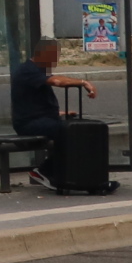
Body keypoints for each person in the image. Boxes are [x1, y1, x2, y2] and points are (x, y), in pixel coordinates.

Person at [11, 36, 96, 188]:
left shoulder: (36, 71)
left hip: (39, 119)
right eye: (53, 57)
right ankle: (44, 171)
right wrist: (83, 82)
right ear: (42, 54)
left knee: (82, 128)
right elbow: (57, 81)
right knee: (71, 132)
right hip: (28, 124)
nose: (55, 61)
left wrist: (60, 113)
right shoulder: (28, 70)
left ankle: (80, 175)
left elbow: (32, 103)